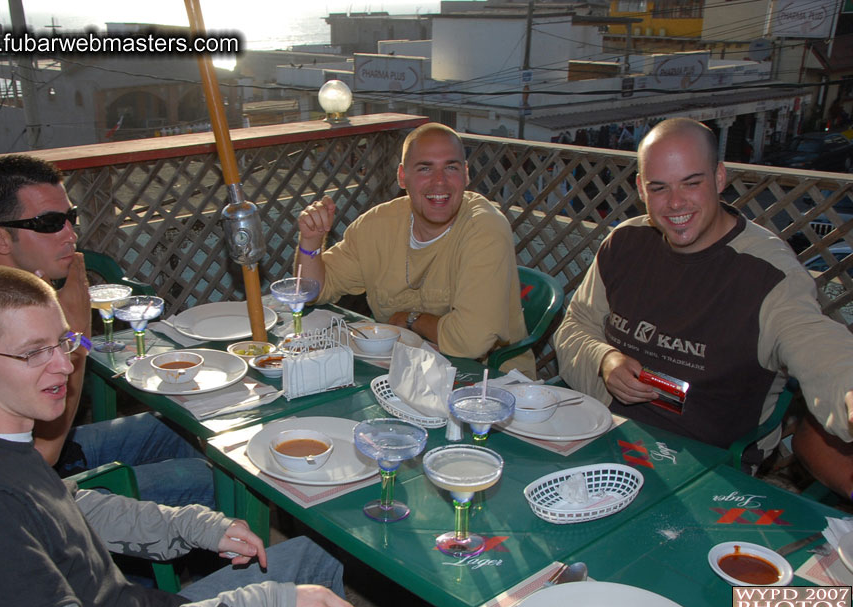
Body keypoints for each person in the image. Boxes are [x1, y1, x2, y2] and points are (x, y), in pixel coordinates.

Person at [0, 265, 443, 607]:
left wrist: (191, 526)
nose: (63, 366)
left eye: (64, 342)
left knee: (316, 555)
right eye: (34, 352)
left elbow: (65, 507)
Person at [0, 154, 215, 508]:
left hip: (25, 454)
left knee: (183, 431)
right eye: (50, 222)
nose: (70, 234)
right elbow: (45, 453)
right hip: (13, 496)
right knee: (206, 480)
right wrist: (79, 339)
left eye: (70, 218)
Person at [554, 117, 853, 465]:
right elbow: (574, 327)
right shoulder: (624, 243)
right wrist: (604, 360)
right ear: (640, 188)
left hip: (708, 464)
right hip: (609, 435)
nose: (675, 203)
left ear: (720, 178)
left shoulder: (767, 274)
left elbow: (817, 345)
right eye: (659, 187)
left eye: (691, 183)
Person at [296, 122, 533, 374]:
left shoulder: (485, 228)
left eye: (450, 167)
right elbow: (311, 292)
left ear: (465, 174)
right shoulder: (376, 225)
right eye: (424, 168)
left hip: (490, 383)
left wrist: (411, 319)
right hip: (402, 372)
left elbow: (471, 341)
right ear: (402, 176)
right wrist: (310, 241)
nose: (439, 182)